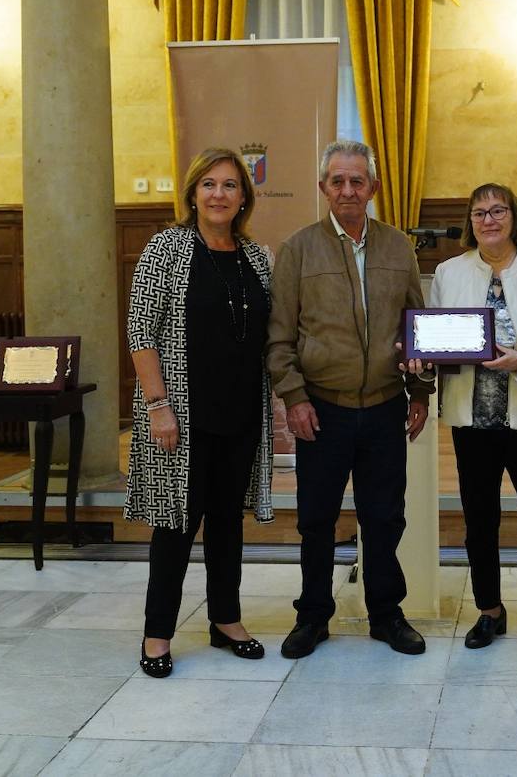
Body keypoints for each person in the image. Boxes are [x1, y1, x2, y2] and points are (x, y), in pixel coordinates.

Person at [267, 139, 435, 659]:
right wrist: (293, 397)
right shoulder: (298, 249)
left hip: (385, 406)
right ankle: (313, 615)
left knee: (384, 517)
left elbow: (416, 326)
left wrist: (420, 390)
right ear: (323, 188)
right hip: (321, 407)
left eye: (357, 181)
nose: (347, 190)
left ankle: (386, 614)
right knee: (316, 519)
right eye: (337, 181)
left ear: (374, 188)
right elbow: (279, 338)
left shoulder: (397, 248)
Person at [125, 146, 275, 678]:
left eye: (230, 185)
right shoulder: (166, 248)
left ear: (244, 198)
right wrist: (158, 405)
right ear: (193, 193)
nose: (219, 194)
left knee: (227, 526)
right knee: (174, 526)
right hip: (180, 419)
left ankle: (226, 620)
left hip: (240, 415)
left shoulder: (258, 258)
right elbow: (140, 331)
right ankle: (158, 633)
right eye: (209, 184)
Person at [412, 183, 517, 658]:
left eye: (497, 210)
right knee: (478, 520)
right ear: (470, 220)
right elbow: (437, 333)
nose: (488, 219)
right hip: (473, 419)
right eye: (479, 212)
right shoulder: (448, 271)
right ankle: (489, 610)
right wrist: (424, 356)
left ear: (514, 216)